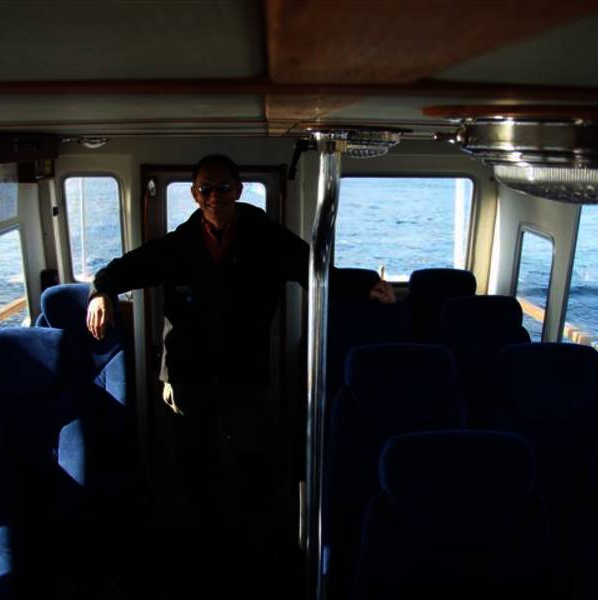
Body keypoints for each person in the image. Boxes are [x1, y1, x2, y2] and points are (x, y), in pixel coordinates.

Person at [85, 154, 393, 596]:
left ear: (239, 190)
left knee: (253, 461)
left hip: (243, 375)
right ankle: (204, 542)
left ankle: (252, 547)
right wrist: (101, 292)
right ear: (195, 195)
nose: (215, 197)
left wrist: (364, 285)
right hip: (186, 376)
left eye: (223, 188)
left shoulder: (267, 239)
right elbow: (124, 270)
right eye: (206, 189)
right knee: (194, 463)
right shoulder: (177, 245)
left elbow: (315, 270)